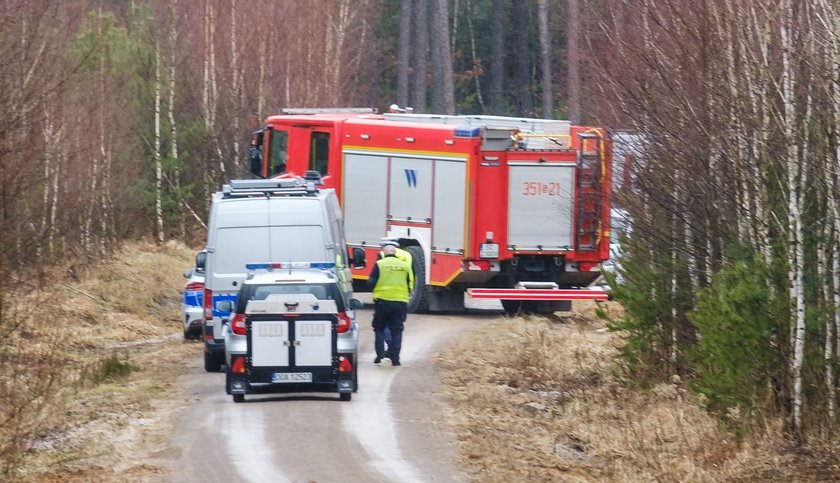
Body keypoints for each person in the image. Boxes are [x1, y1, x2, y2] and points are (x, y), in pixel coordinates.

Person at [368, 244, 413, 366]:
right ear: (395, 253)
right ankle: (395, 358)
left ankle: (379, 354)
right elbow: (409, 283)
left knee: (379, 328)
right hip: (400, 303)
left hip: (382, 302)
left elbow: (371, 282)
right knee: (397, 330)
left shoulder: (380, 264)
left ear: (384, 252)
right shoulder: (404, 266)